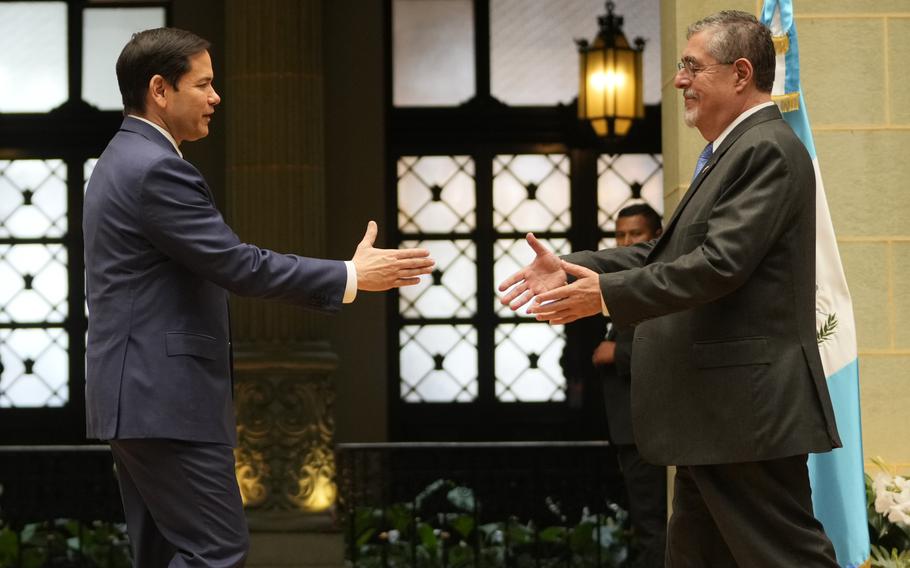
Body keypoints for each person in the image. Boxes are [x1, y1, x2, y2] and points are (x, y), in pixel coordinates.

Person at [499, 11, 841, 567]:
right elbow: (668, 254)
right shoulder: (730, 153)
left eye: (691, 66)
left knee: (787, 558)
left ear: (740, 73)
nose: (679, 80)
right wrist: (569, 266)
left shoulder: (764, 150)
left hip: (743, 414)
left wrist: (605, 296)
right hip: (715, 416)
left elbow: (717, 265)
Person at [83, 28, 434, 568]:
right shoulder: (156, 168)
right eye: (203, 84)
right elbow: (237, 264)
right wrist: (350, 275)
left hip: (137, 398)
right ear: (159, 88)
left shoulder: (118, 160)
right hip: (166, 398)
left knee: (165, 554)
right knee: (216, 552)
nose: (216, 97)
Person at [591, 204, 665, 568]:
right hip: (627, 429)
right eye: (620, 235)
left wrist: (615, 352)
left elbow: (671, 347)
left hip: (651, 430)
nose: (625, 242)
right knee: (646, 525)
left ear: (655, 236)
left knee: (655, 528)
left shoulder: (662, 281)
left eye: (635, 234)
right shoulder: (622, 281)